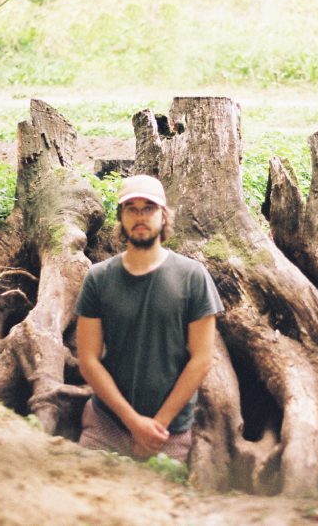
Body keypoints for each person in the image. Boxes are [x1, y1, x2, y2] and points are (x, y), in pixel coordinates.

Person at [76, 174, 222, 461]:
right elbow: (88, 360)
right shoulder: (98, 278)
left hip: (167, 433)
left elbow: (202, 359)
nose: (140, 216)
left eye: (149, 208)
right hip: (106, 425)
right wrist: (132, 422)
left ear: (163, 215)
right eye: (131, 208)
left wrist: (157, 426)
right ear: (121, 217)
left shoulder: (193, 277)